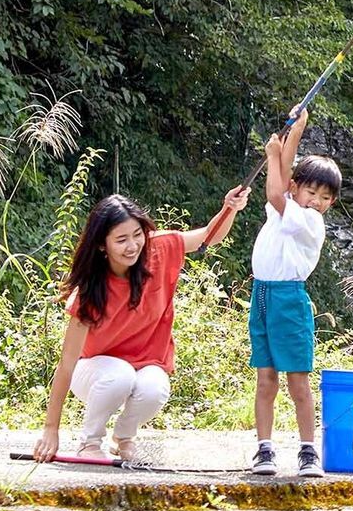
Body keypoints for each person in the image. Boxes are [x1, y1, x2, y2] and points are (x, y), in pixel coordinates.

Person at [32, 185, 251, 463]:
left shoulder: (159, 248)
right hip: (94, 372)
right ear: (102, 245)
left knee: (154, 388)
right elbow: (67, 364)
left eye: (137, 235)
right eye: (121, 239)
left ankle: (123, 438)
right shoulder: (90, 290)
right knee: (120, 376)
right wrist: (50, 430)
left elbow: (209, 235)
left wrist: (230, 207)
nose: (133, 246)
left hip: (146, 364)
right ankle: (90, 442)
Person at [249, 109, 341, 476]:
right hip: (261, 298)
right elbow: (282, 177)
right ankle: (264, 448)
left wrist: (275, 154)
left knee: (297, 381)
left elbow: (275, 187)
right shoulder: (283, 210)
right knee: (266, 379)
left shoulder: (309, 220)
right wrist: (295, 131)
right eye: (311, 192)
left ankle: (308, 451)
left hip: (289, 301)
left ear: (330, 203)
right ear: (297, 188)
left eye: (325, 197)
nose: (316, 200)